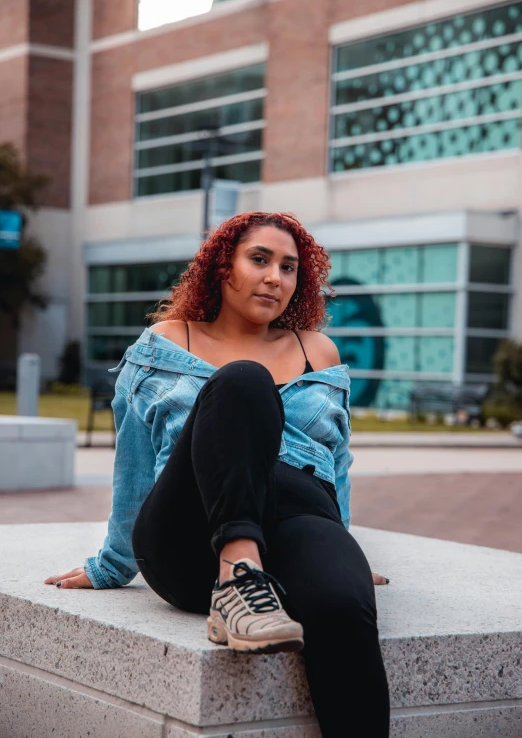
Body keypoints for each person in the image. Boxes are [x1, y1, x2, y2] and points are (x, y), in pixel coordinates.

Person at [46, 211, 390, 737]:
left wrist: (340, 546)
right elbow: (134, 462)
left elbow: (336, 459)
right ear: (222, 267)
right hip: (190, 533)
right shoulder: (165, 342)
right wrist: (112, 564)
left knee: (344, 604)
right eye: (259, 259)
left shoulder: (316, 349)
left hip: (298, 512)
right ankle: (238, 574)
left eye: (290, 267)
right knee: (243, 383)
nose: (275, 277)